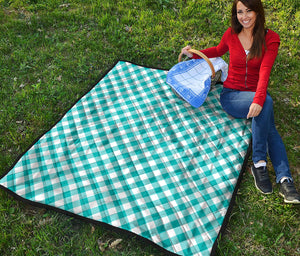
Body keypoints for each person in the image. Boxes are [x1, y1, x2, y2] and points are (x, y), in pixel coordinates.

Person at [181, 0, 300, 204]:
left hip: (255, 93)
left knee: (267, 117)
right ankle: (264, 165)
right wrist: (194, 55)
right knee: (267, 107)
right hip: (232, 96)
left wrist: (259, 99)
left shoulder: (271, 39)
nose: (244, 16)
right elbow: (218, 50)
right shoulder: (231, 34)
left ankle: (282, 177)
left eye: (249, 11)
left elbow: (265, 72)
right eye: (240, 12)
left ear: (258, 12)